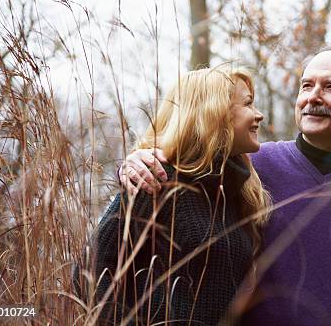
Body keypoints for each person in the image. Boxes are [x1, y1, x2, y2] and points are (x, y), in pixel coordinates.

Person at [121, 49, 331, 325]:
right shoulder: (248, 165)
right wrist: (136, 161)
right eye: (306, 86)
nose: (313, 97)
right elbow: (181, 166)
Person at [76, 67, 271, 325]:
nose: (258, 115)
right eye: (248, 104)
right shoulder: (158, 180)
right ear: (215, 112)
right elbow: (89, 272)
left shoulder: (238, 189)